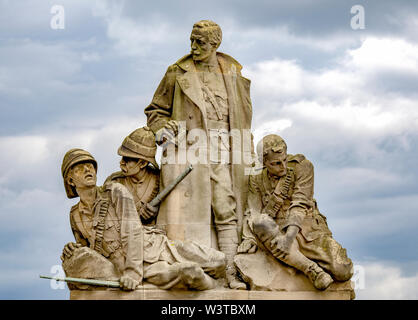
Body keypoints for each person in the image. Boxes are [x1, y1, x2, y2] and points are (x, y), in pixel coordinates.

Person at [144, 19, 253, 290]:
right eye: (192, 41)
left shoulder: (233, 73)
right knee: (192, 215)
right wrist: (162, 127)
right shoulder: (176, 72)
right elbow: (155, 111)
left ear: (216, 44)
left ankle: (231, 271)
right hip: (190, 148)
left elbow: (243, 118)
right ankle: (195, 273)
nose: (194, 47)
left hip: (227, 148)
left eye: (200, 42)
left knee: (226, 209)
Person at [60, 148, 226, 291]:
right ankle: (214, 289)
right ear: (70, 180)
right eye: (80, 168)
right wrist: (72, 249)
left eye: (90, 166)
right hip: (132, 267)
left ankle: (226, 283)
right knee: (190, 273)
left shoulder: (115, 192)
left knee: (218, 261)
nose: (88, 170)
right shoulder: (75, 215)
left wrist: (133, 273)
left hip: (154, 248)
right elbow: (91, 253)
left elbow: (132, 231)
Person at [238, 135, 353, 290]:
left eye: (284, 160)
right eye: (276, 163)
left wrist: (289, 238)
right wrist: (249, 239)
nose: (283, 166)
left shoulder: (302, 167)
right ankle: (312, 270)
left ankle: (299, 257)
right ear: (264, 163)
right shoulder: (256, 176)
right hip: (275, 230)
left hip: (308, 230)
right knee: (260, 223)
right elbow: (253, 211)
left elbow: (299, 204)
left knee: (343, 270)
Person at [104, 126, 160, 225]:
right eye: (122, 158)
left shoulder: (159, 180)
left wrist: (156, 211)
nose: (121, 163)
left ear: (142, 163)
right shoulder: (114, 182)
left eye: (127, 159)